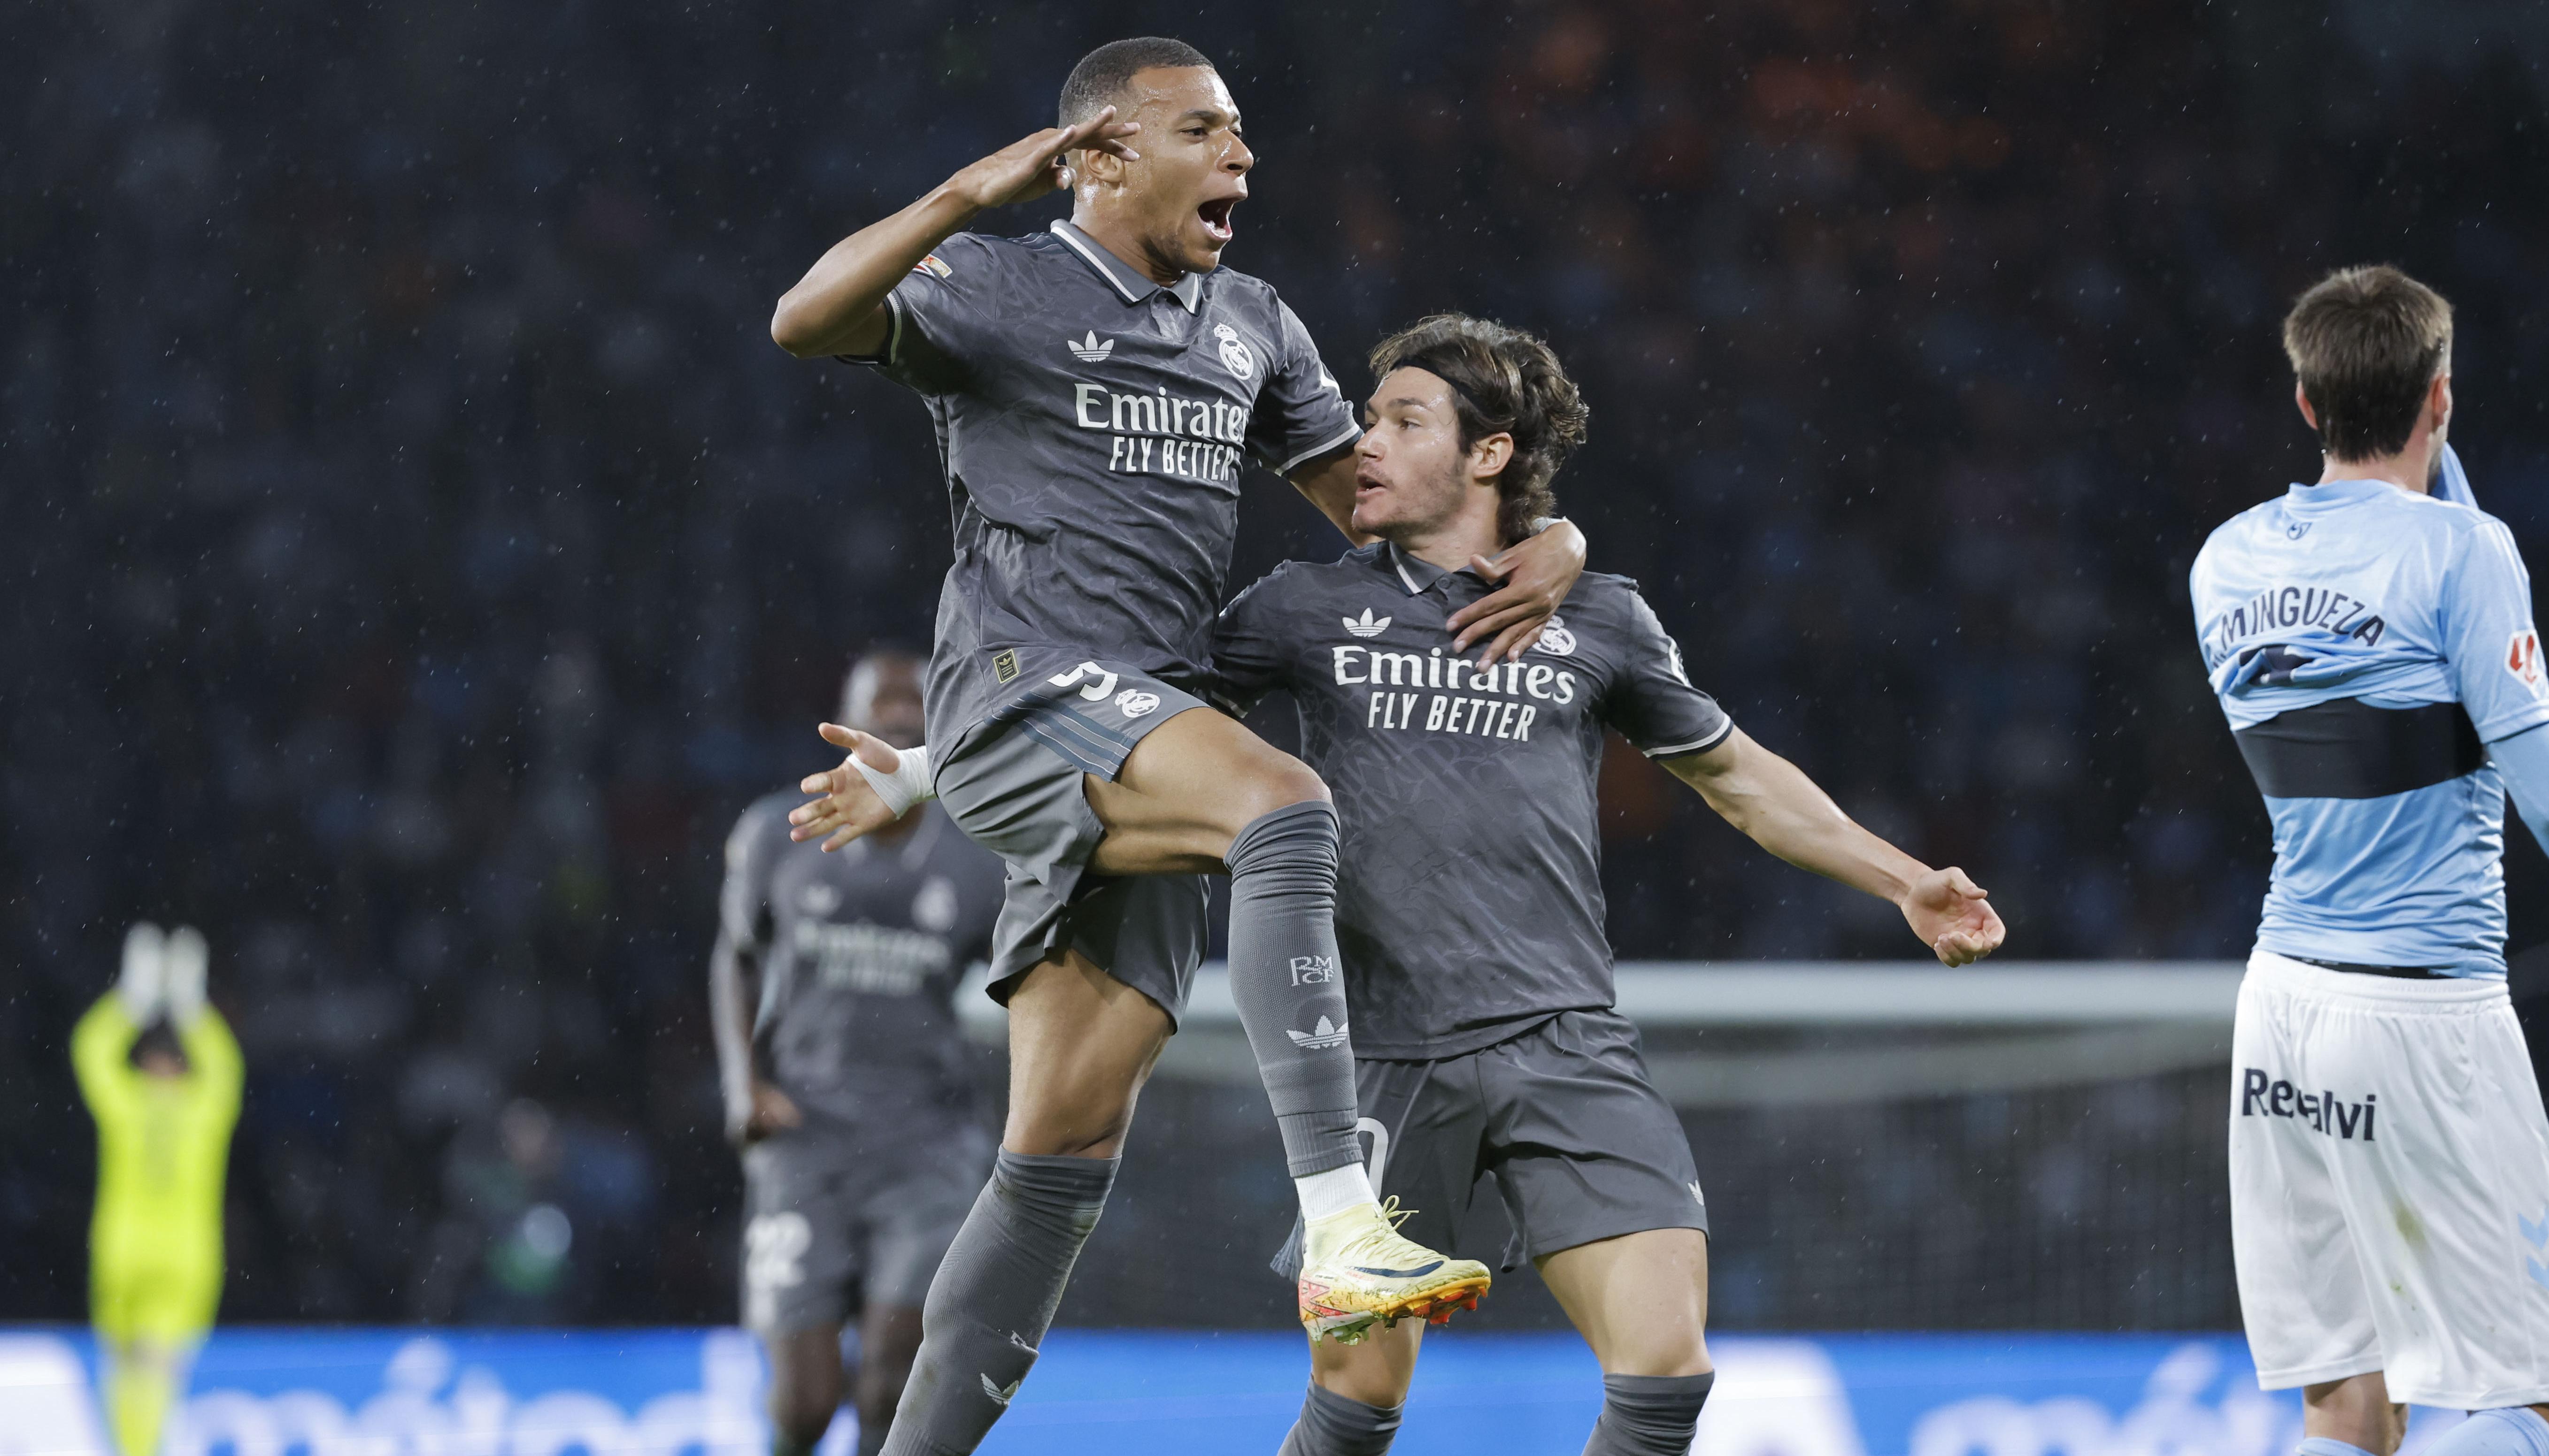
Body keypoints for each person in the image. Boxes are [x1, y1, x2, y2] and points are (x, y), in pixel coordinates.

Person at [770, 36, 1586, 1453]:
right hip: (1028, 693)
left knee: (1054, 1163)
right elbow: (803, 318)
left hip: (1140, 729)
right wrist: (975, 186)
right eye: (1203, 132)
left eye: (1243, 136)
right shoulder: (1004, 282)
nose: (1241, 159)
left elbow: (1379, 513)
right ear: (1098, 154)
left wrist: (1549, 535)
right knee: (1283, 803)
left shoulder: (1253, 322)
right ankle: (1343, 1221)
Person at [1208, 314, 2004, 1456]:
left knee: (1664, 1375)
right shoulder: (1299, 607)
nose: (1362, 443)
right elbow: (1149, 725)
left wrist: (1904, 881)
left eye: (1401, 419)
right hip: (1378, 1057)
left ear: (1489, 455)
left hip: (1562, 1041)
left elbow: (1734, 775)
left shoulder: (1600, 617)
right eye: (1366, 418)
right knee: (1354, 1410)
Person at [2189, 265, 2549, 1456]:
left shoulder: (2223, 561)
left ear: (2302, 403)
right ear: (2439, 397)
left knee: (2345, 1405)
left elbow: (2378, 568)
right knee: (2525, 1396)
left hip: (2282, 1008)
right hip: (2424, 1015)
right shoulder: (2466, 554)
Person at [711, 653, 1006, 1456]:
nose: (902, 718)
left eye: (917, 707)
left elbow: (1028, 981)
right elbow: (734, 956)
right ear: (843, 724)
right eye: (884, 706)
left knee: (890, 1378)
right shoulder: (778, 833)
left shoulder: (977, 854)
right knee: (804, 1402)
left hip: (925, 1145)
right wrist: (743, 1086)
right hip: (804, 1137)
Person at [73, 922, 243, 1456]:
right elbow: (224, 1068)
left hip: (145, 1252)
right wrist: (185, 1010)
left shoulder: (155, 1106)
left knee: (144, 1365)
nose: (163, 1071)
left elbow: (93, 1051)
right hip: (154, 1252)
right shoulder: (193, 1109)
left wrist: (134, 1004)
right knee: (135, 1369)